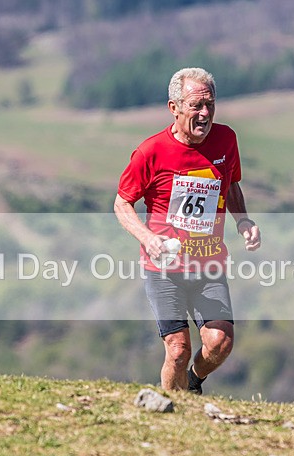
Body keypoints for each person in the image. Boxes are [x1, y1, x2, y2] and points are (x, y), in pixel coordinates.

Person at [114, 67, 261, 394]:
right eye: (196, 105)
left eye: (210, 105)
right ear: (174, 108)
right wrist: (148, 238)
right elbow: (122, 204)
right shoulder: (150, 152)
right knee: (177, 351)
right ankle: (168, 412)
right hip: (164, 268)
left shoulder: (226, 139)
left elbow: (231, 184)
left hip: (208, 265)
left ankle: (193, 383)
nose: (205, 113)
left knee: (220, 342)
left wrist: (244, 221)